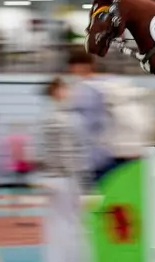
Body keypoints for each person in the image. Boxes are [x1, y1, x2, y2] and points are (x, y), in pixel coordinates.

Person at [40, 77, 90, 262]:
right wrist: (85, 185)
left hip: (54, 178)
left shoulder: (46, 117)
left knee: (56, 223)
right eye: (66, 88)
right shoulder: (70, 119)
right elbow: (76, 153)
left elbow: (43, 151)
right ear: (58, 91)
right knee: (73, 223)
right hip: (67, 177)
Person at [67, 49, 122, 183]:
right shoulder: (113, 82)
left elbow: (84, 125)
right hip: (116, 150)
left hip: (98, 155)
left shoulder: (84, 89)